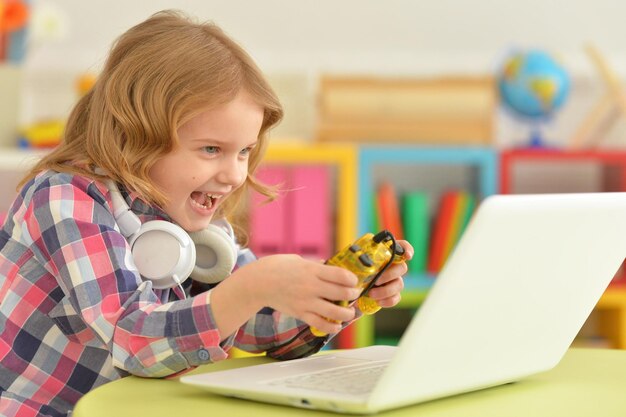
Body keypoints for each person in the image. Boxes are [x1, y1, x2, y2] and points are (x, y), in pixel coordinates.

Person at [0, 10, 413, 417]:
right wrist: (251, 287)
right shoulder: (65, 199)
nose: (235, 175)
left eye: (245, 151)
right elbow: (133, 340)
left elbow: (258, 324)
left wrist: (334, 296)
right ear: (133, 135)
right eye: (211, 149)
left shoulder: (193, 219)